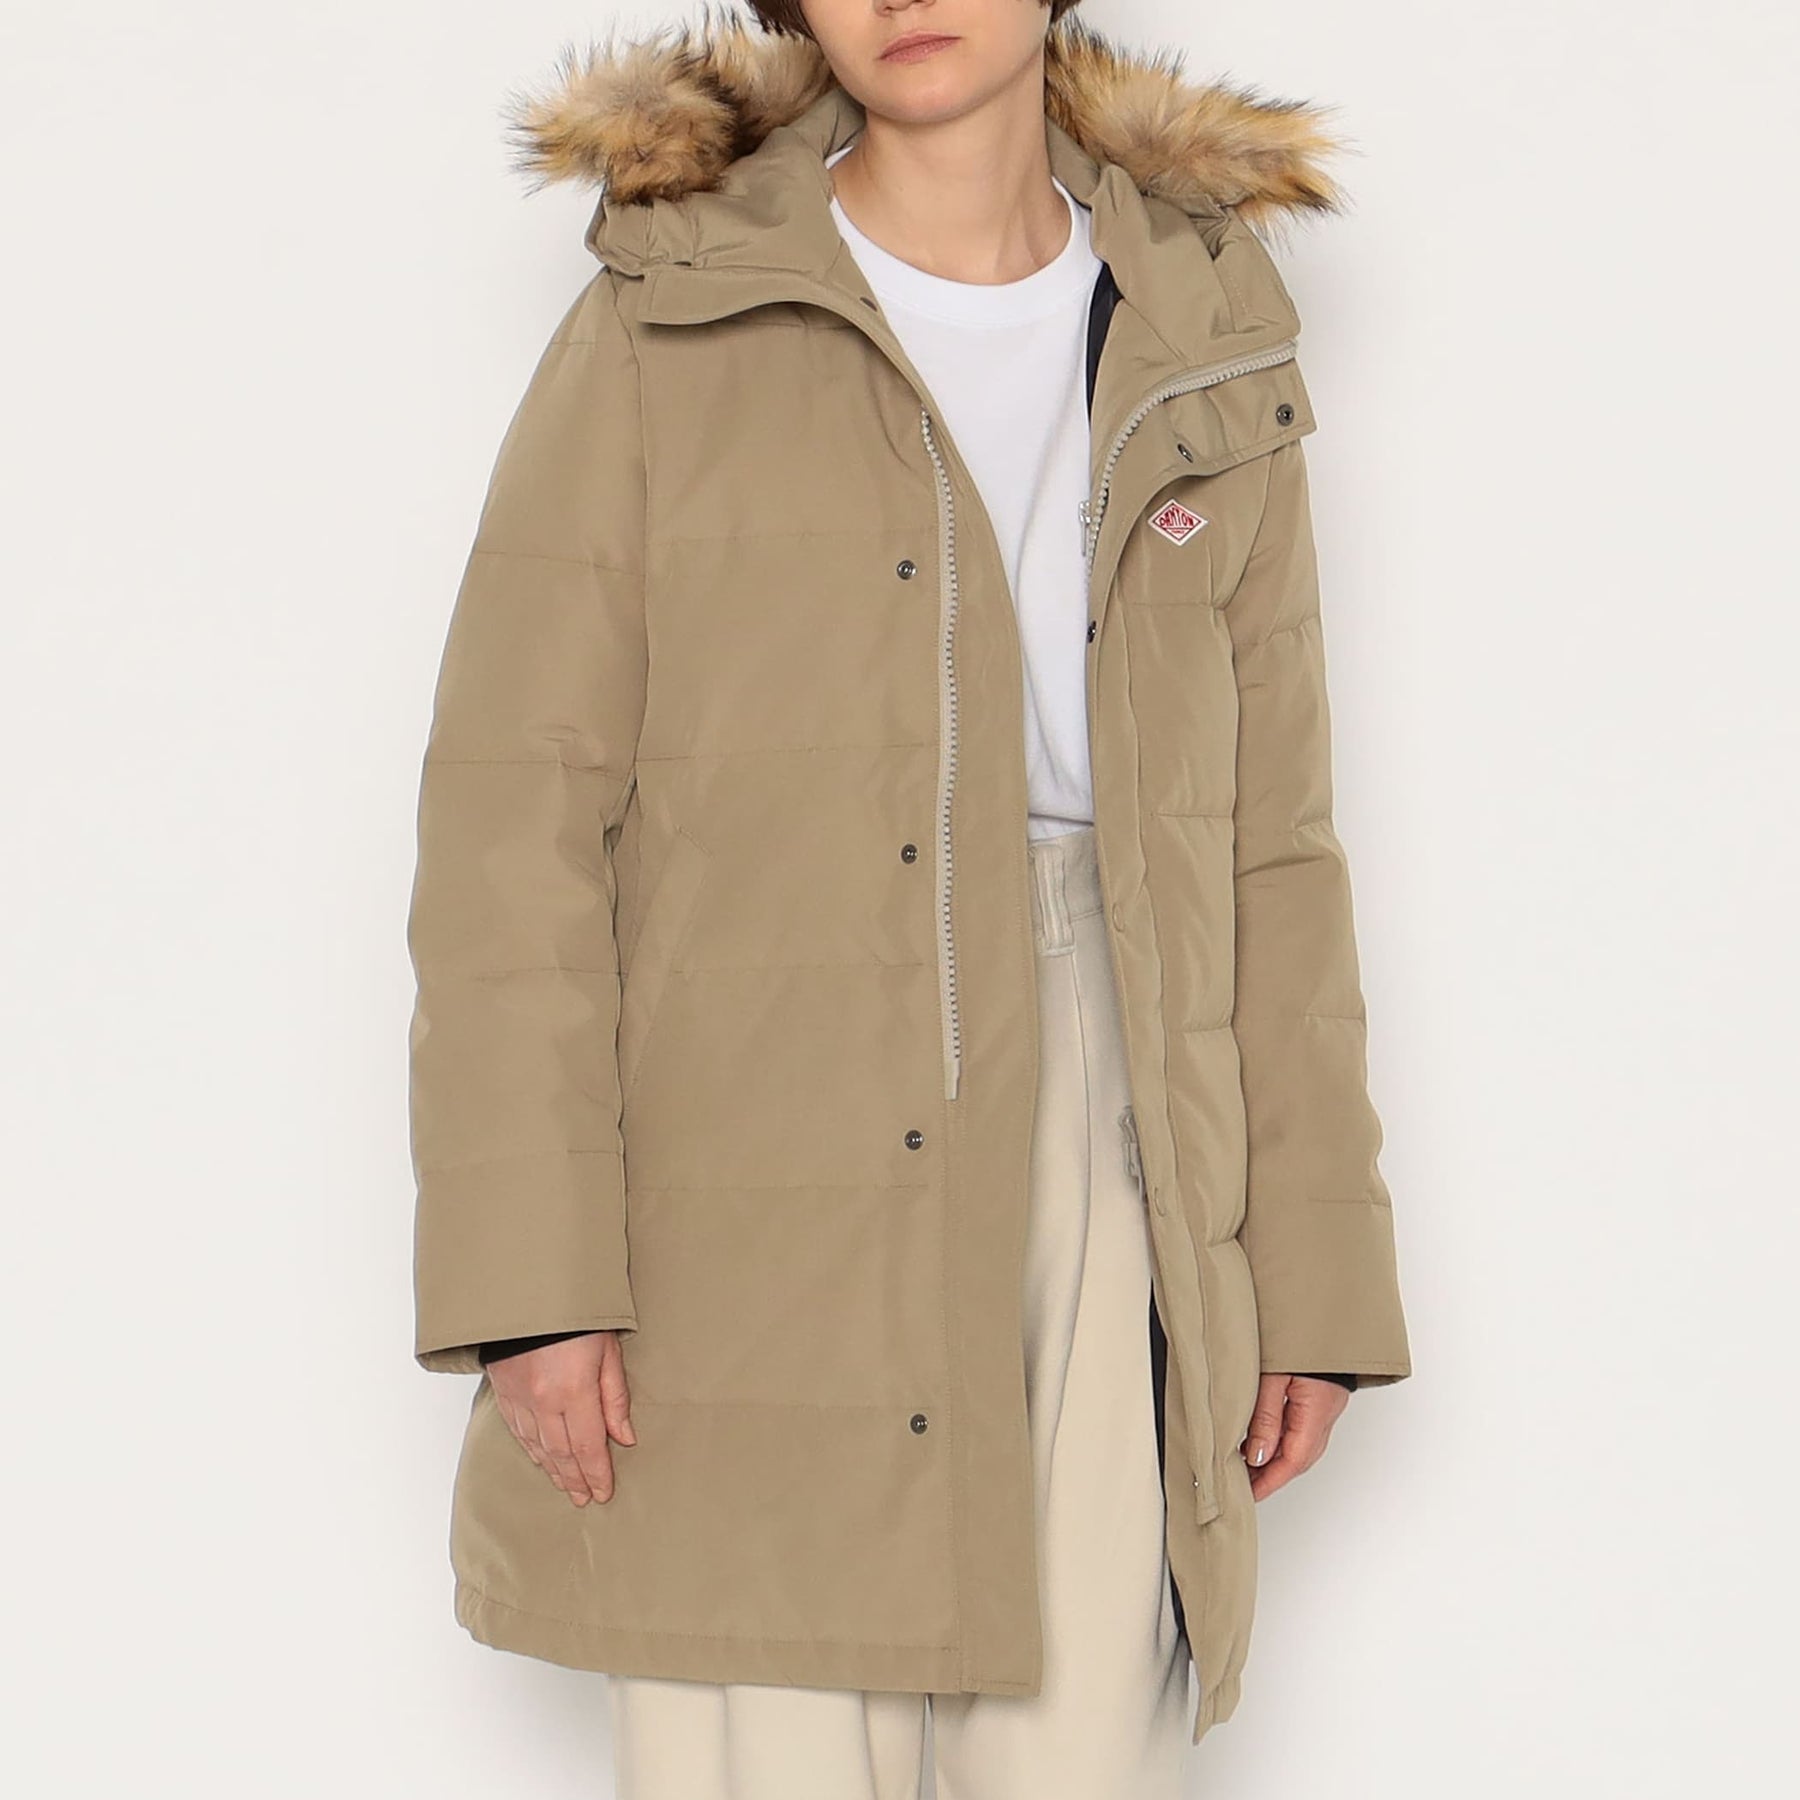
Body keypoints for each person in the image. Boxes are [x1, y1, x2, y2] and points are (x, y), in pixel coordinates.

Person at [405, 3, 1413, 1795]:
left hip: (1118, 1127)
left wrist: (1315, 1275)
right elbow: (515, 819)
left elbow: (1270, 839)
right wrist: (532, 1278)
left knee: (1074, 1744)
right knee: (763, 1731)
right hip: (739, 1154)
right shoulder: (669, 316)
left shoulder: (1201, 335)